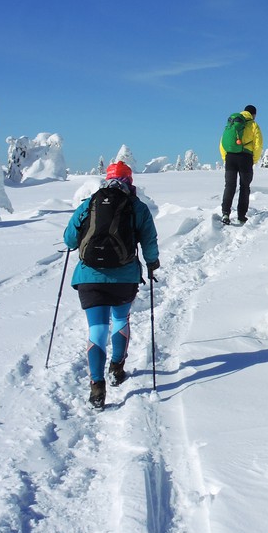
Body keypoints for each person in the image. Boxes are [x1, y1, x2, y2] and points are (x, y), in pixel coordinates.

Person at [63, 161, 160, 409]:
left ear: (106, 179)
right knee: (120, 320)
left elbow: (69, 239)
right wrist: (152, 263)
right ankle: (117, 367)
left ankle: (97, 386)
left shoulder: (90, 203)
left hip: (89, 277)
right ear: (130, 181)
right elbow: (149, 239)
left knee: (97, 329)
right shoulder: (137, 207)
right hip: (124, 277)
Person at [219, 104, 263, 225]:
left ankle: (225, 213)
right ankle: (241, 216)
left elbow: (222, 143)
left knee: (229, 186)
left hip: (230, 157)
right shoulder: (253, 125)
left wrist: (225, 158)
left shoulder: (232, 123)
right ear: (254, 114)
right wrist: (253, 160)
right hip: (246, 158)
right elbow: (258, 145)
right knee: (244, 187)